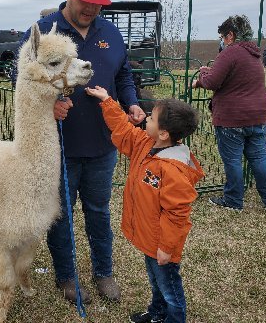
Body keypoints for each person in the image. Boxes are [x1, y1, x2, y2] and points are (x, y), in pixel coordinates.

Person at [18, 0, 146, 304]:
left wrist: (131, 103)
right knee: (61, 215)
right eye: (85, 0)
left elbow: (123, 76)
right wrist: (49, 107)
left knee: (99, 210)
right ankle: (67, 278)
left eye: (98, 2)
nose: (91, 8)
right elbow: (25, 82)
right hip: (60, 147)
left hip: (103, 144)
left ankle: (104, 273)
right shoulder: (44, 32)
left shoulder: (111, 32)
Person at [85, 85, 204, 323]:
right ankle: (157, 314)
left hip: (163, 245)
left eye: (151, 118)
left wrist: (167, 248)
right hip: (151, 240)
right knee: (155, 280)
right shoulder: (145, 144)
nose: (145, 119)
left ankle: (173, 318)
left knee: (170, 288)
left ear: (164, 134)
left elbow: (177, 214)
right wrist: (107, 101)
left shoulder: (173, 169)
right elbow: (123, 129)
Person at [192, 15, 266, 212]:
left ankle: (233, 200)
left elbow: (212, 82)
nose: (221, 40)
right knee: (259, 158)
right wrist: (210, 72)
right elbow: (234, 77)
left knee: (232, 159)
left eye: (222, 36)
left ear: (230, 35)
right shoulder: (254, 54)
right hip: (258, 115)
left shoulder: (231, 52)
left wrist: (201, 76)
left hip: (233, 117)